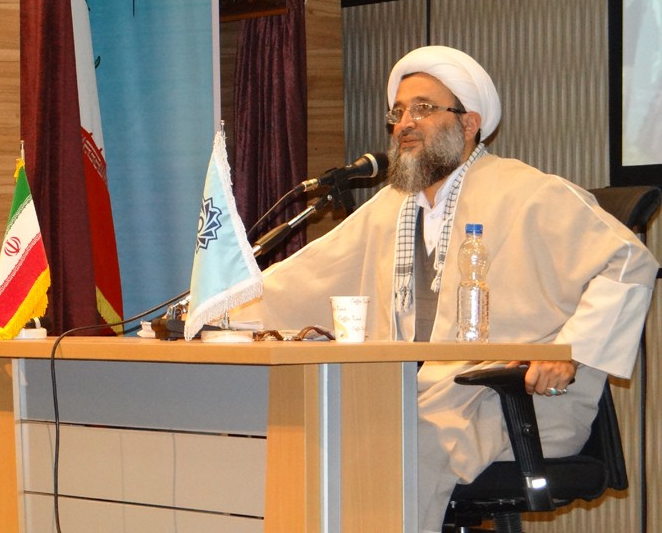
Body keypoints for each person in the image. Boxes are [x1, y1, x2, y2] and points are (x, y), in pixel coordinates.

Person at [244, 45, 659, 532]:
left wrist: (570, 353)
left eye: (423, 108)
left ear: (469, 124)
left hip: (517, 402)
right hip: (423, 397)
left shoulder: (529, 193)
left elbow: (629, 261)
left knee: (394, 447)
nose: (405, 124)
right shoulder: (390, 209)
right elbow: (301, 280)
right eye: (398, 112)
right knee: (314, 434)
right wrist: (218, 308)